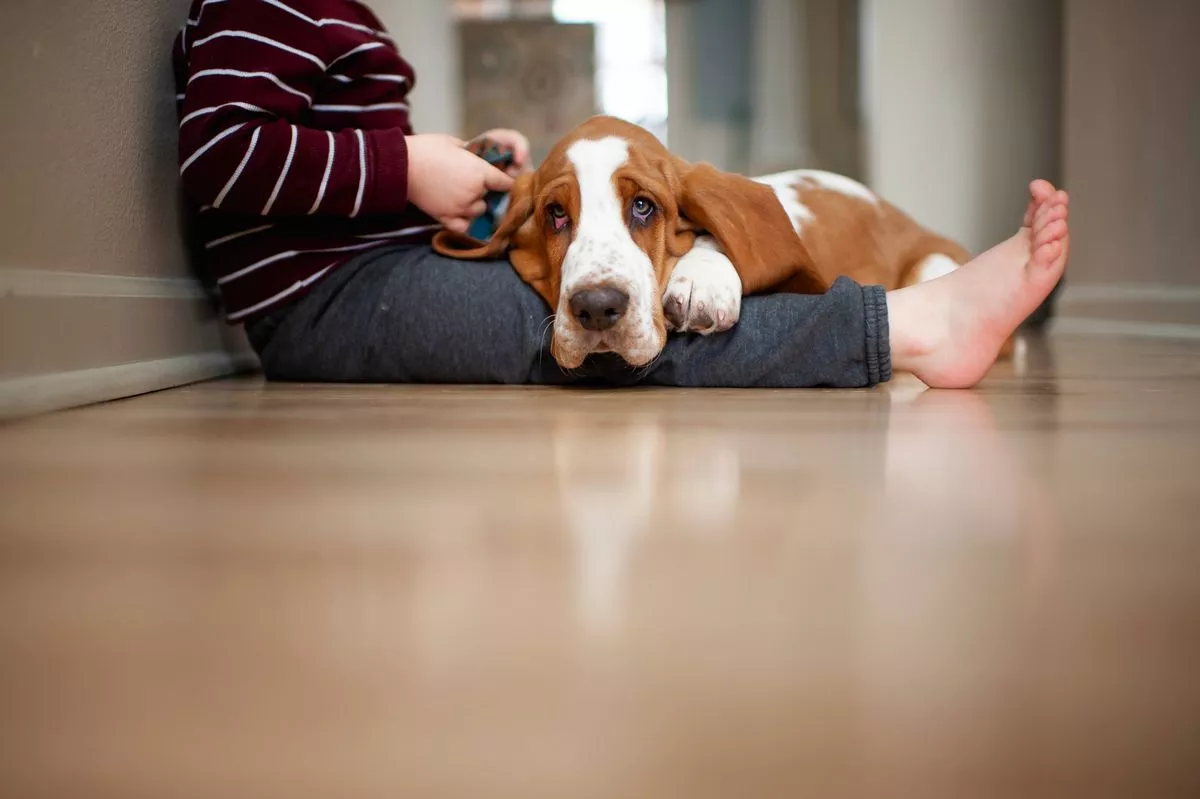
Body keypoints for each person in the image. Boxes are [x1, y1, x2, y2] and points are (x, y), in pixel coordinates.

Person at [174, 0, 1069, 390]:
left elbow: (324, 154)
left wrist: (438, 167)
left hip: (364, 270)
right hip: (321, 306)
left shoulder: (328, 12)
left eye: (646, 209)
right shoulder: (265, 4)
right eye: (557, 216)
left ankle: (926, 300)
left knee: (647, 320)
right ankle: (918, 326)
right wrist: (404, 170)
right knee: (588, 337)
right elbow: (221, 152)